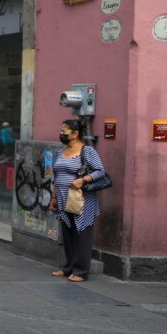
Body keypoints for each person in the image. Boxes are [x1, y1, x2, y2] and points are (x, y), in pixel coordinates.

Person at [50, 119, 105, 282]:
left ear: (75, 133)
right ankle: (68, 268)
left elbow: (100, 171)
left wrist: (83, 180)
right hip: (62, 198)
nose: (61, 135)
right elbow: (57, 175)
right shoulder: (62, 151)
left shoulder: (87, 151)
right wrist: (53, 197)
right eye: (61, 131)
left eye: (64, 132)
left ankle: (81, 271)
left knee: (82, 234)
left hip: (81, 199)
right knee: (68, 234)